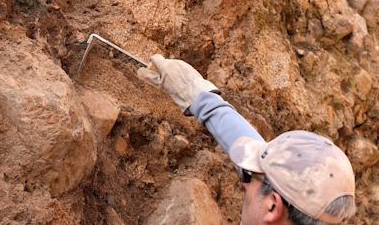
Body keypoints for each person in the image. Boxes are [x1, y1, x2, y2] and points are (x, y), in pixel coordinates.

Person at [137, 54, 356, 225]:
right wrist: (197, 93)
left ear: (273, 206)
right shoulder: (322, 211)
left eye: (252, 175)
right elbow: (245, 141)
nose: (243, 180)